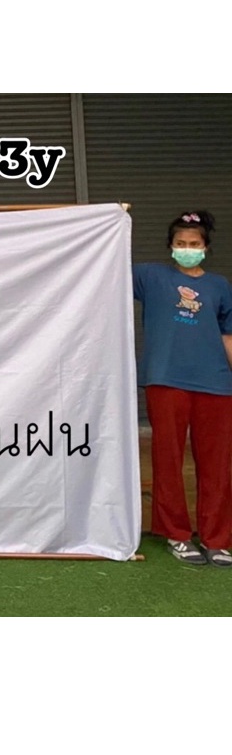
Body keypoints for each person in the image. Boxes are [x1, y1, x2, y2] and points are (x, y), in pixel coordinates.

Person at [133, 211, 232, 567]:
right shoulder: (150, 276)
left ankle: (217, 539)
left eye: (194, 243)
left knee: (218, 464)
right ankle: (176, 534)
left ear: (205, 247)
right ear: (171, 246)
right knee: (168, 458)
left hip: (215, 383)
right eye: (181, 243)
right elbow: (104, 266)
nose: (187, 249)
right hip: (166, 380)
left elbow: (228, 335)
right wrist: (108, 222)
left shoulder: (219, 286)